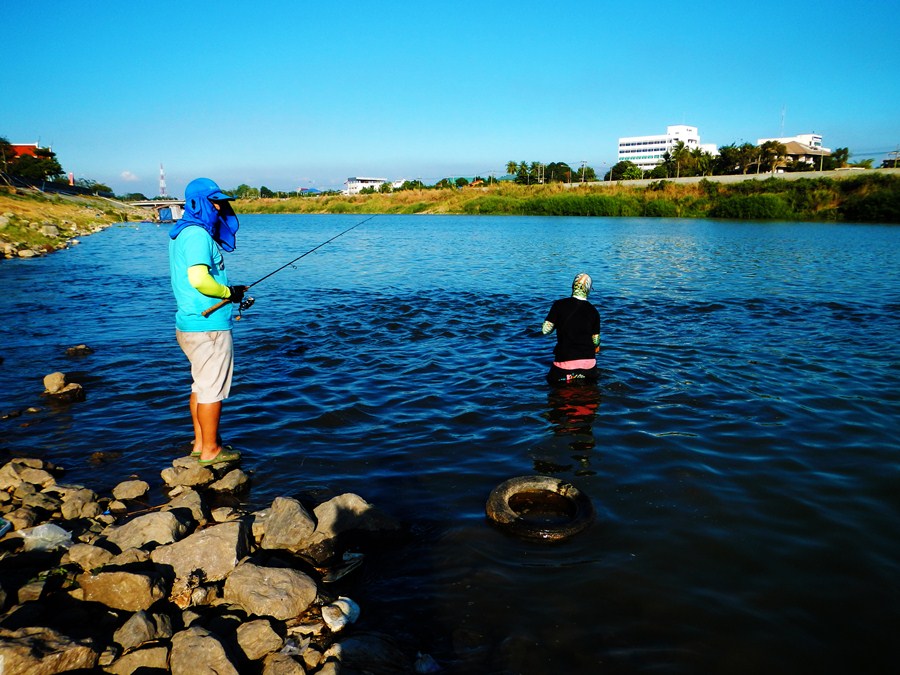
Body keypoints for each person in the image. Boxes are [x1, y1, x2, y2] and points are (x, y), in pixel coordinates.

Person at [168, 178, 247, 465]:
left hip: (189, 324)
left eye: (220, 201)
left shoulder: (181, 233)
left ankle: (201, 444)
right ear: (197, 203)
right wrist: (229, 291)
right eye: (213, 201)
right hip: (209, 326)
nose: (219, 206)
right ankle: (212, 450)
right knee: (212, 389)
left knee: (200, 386)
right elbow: (200, 279)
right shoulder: (198, 236)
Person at [542, 272, 601, 386]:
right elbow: (596, 342)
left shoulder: (559, 305)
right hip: (589, 366)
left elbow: (545, 331)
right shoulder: (594, 311)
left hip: (564, 363)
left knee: (555, 392)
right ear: (588, 290)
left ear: (572, 286)